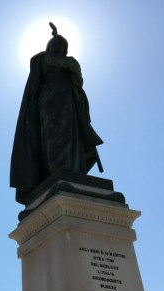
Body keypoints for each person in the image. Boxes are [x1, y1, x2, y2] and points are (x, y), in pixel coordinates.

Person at [10, 23, 103, 204]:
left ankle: (72, 170)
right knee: (53, 138)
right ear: (50, 46)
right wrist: (69, 61)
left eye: (62, 45)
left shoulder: (67, 63)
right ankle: (57, 169)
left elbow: (78, 77)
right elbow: (64, 63)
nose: (58, 47)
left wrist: (72, 65)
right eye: (55, 44)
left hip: (69, 101)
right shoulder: (42, 59)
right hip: (50, 102)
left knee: (71, 136)